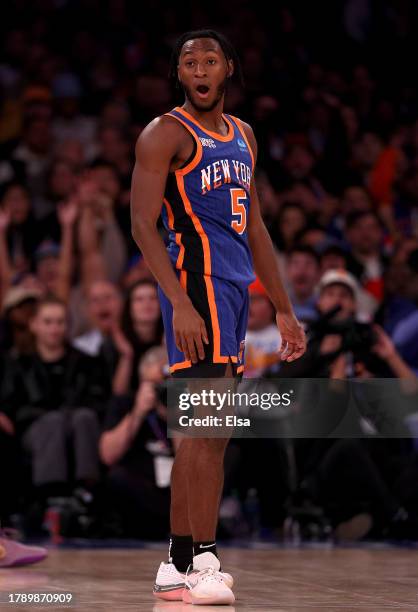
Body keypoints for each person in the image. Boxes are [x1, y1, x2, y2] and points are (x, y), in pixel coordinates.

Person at [130, 29, 306, 605]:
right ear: (179, 75)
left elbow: (254, 227)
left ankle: (177, 564)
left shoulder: (244, 136)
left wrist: (283, 308)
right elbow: (141, 224)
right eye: (189, 62)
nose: (200, 69)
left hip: (232, 291)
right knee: (207, 431)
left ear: (228, 67)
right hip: (194, 289)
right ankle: (205, 558)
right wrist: (178, 301)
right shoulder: (165, 133)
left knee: (207, 434)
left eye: (210, 60)